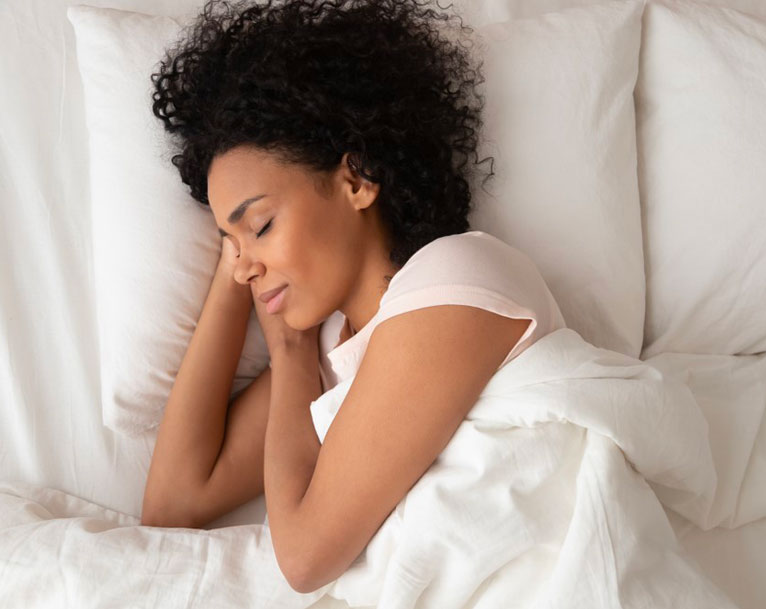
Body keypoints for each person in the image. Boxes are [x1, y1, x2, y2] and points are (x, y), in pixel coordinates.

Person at [139, 0, 566, 595]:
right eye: (229, 244)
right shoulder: (333, 352)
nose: (242, 268)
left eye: (260, 225)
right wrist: (244, 264)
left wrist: (288, 356)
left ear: (356, 181)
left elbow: (306, 559)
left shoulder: (457, 277)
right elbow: (172, 504)